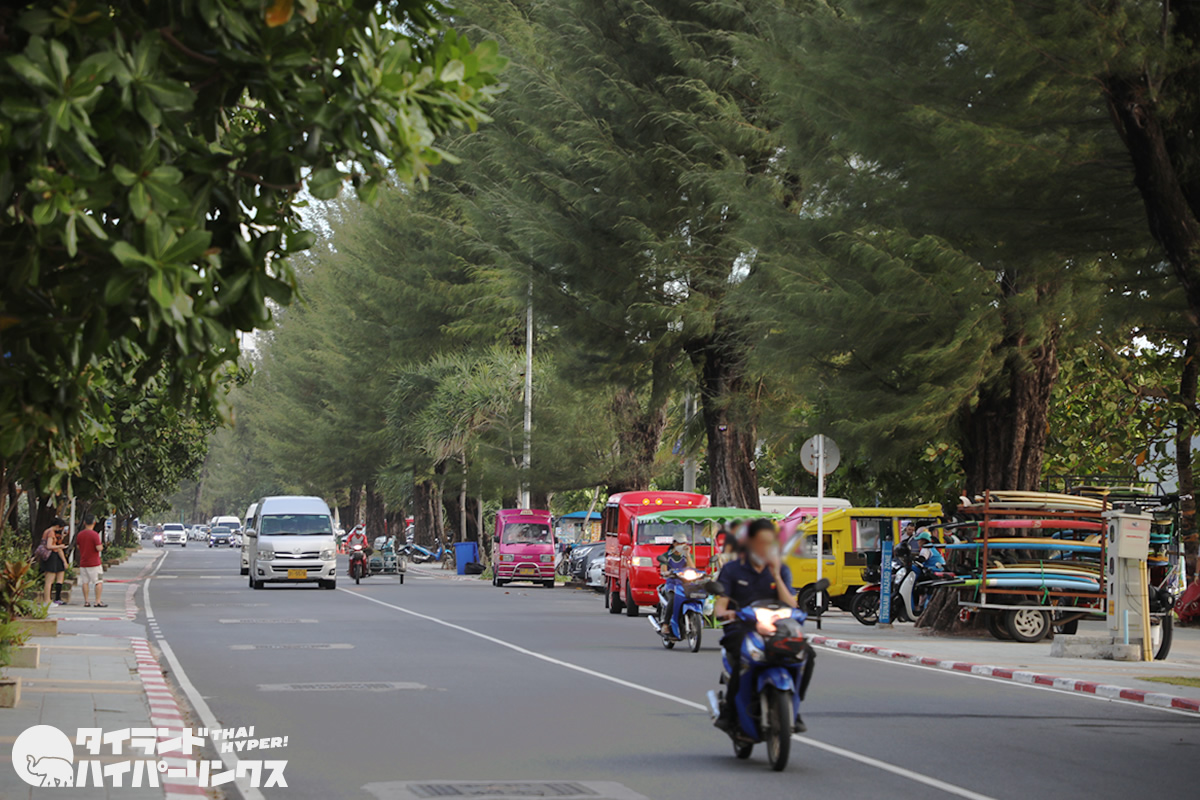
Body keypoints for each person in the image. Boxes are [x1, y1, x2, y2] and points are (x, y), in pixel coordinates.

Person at [713, 518, 808, 734]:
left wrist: (776, 575)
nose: (765, 548)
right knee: (741, 661)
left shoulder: (780, 570)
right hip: (741, 628)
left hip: (777, 629)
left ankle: (793, 707)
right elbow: (720, 605)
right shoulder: (731, 570)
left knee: (807, 655)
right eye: (760, 543)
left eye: (769, 543)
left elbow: (792, 605)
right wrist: (725, 613)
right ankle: (729, 712)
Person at [657, 531, 695, 636]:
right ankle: (665, 624)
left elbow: (693, 568)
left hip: (685, 583)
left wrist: (687, 555)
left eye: (684, 543)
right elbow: (663, 570)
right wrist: (667, 573)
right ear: (674, 543)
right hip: (672, 583)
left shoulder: (687, 556)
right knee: (673, 599)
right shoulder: (666, 556)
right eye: (679, 543)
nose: (682, 545)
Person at [76, 514, 106, 607]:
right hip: (94, 563)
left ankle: (86, 601)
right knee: (98, 582)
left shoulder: (80, 534)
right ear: (94, 523)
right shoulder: (95, 535)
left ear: (84, 523)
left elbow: (78, 546)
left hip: (83, 562)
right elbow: (98, 548)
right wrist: (102, 546)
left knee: (85, 582)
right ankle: (97, 601)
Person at [40, 517, 68, 605]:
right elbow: (49, 546)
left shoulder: (47, 531)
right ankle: (47, 600)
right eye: (60, 528)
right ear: (57, 526)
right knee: (49, 580)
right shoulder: (51, 532)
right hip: (51, 556)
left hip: (50, 556)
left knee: (49, 580)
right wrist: (60, 546)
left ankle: (48, 600)